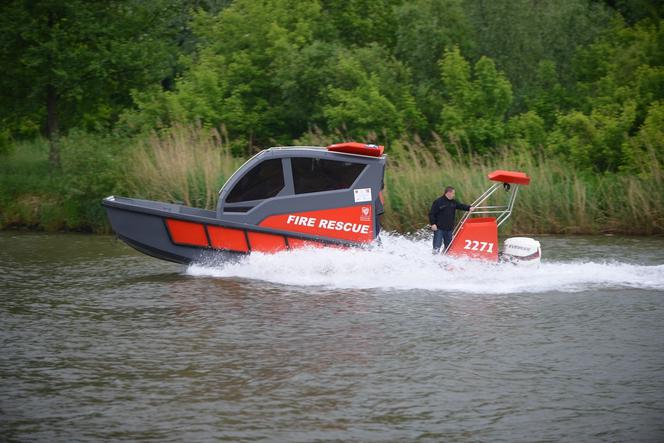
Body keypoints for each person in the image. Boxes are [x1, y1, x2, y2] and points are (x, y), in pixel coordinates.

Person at [429, 186, 474, 254]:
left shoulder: (453, 202)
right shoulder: (438, 201)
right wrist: (433, 224)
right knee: (436, 247)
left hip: (449, 229)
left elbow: (461, 206)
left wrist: (469, 208)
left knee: (449, 248)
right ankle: (434, 260)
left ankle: (444, 259)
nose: (454, 195)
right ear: (448, 193)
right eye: (453, 193)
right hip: (439, 229)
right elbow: (431, 214)